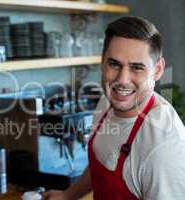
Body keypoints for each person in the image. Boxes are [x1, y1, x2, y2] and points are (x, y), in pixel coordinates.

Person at [43, 16, 185, 200]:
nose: (122, 80)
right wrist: (68, 195)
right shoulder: (106, 102)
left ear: (158, 70)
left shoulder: (164, 149)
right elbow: (102, 159)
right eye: (114, 64)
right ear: (102, 62)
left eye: (136, 67)